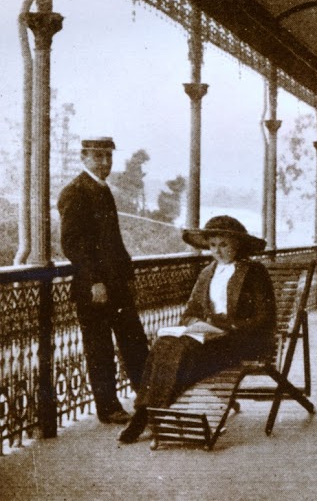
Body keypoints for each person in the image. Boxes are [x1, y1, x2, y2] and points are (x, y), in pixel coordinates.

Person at [118, 215, 275, 444]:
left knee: (183, 353)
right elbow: (190, 312)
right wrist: (195, 325)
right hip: (208, 337)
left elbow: (265, 318)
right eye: (212, 246)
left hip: (240, 341)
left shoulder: (254, 272)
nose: (217, 252)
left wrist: (229, 326)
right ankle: (147, 413)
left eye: (224, 245)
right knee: (165, 344)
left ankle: (149, 415)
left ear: (237, 245)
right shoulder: (207, 273)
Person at [58, 137, 149, 425]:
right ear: (84, 157)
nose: (105, 162)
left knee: (134, 341)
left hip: (116, 285)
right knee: (100, 350)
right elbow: (73, 244)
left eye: (108, 157)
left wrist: (127, 276)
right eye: (98, 157)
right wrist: (96, 281)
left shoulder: (101, 188)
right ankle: (108, 408)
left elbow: (113, 242)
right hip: (94, 287)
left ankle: (148, 400)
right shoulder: (75, 192)